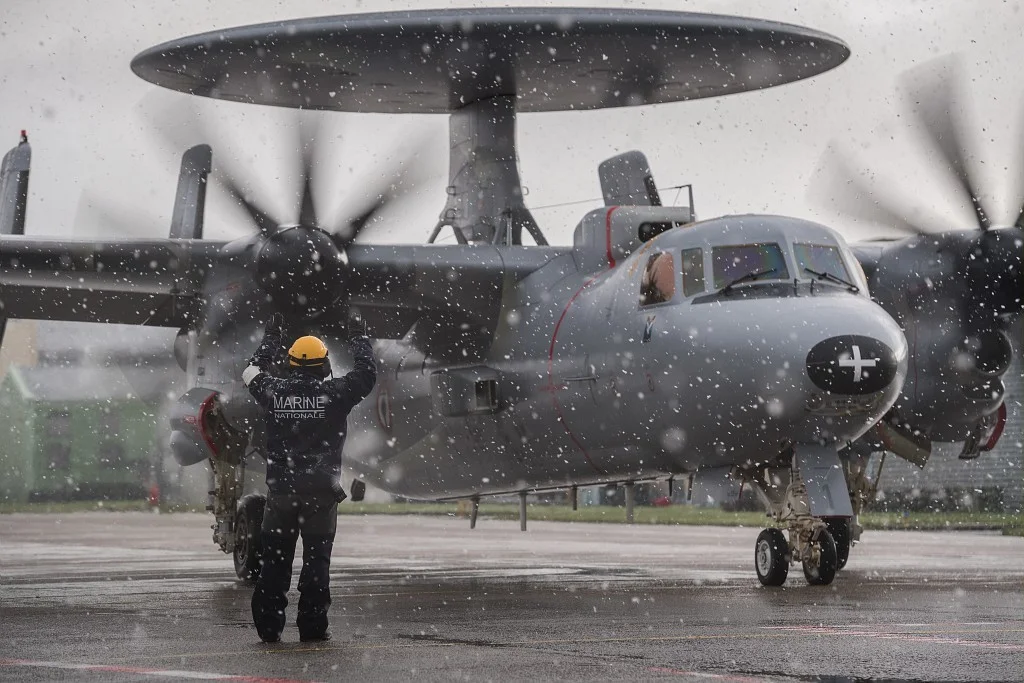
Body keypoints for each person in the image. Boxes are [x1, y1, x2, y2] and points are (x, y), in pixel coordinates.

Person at [242, 312, 376, 643]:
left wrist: (270, 339)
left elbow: (250, 371)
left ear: (290, 364)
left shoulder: (273, 392)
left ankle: (269, 628)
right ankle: (313, 627)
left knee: (275, 564)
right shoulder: (337, 392)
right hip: (321, 493)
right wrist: (358, 336)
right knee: (317, 563)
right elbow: (367, 373)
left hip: (281, 493)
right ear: (325, 365)